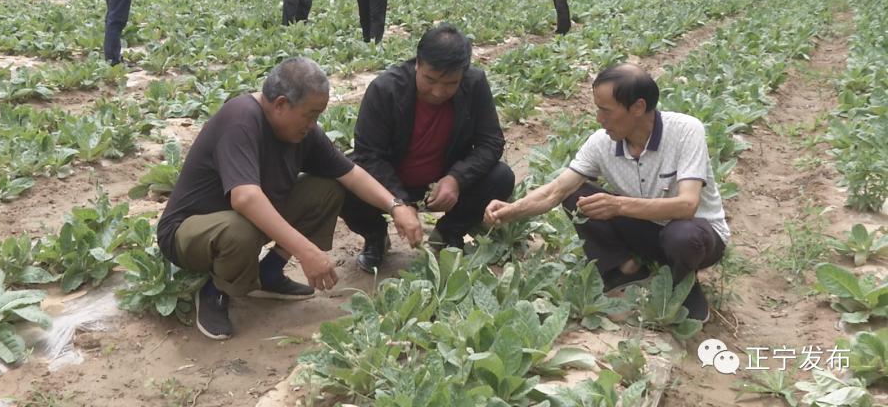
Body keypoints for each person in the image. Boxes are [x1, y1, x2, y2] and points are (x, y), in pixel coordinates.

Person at [156, 57, 423, 340]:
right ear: (281, 104)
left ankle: (268, 273)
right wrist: (307, 252)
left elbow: (351, 174)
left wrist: (396, 206)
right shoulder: (241, 118)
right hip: (189, 233)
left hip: (246, 221)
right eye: (310, 114)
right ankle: (215, 291)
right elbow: (244, 198)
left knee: (327, 188)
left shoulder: (302, 132)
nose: (313, 124)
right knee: (239, 228)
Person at [483, 64, 729, 322]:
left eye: (606, 110)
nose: (599, 119)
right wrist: (511, 211)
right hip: (646, 230)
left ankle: (683, 283)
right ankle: (625, 269)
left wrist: (618, 205)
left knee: (682, 235)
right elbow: (555, 191)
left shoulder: (685, 131)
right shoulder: (602, 143)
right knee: (577, 194)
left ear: (637, 108)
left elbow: (687, 205)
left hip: (698, 237)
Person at [341, 24, 514, 271]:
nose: (438, 91)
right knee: (342, 180)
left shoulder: (474, 84)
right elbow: (369, 155)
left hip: (441, 181)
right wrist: (397, 202)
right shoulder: (385, 89)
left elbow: (491, 142)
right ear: (417, 64)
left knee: (501, 177)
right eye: (430, 80)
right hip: (390, 183)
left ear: (463, 74)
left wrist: (456, 178)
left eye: (450, 83)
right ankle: (375, 236)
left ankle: (447, 233)